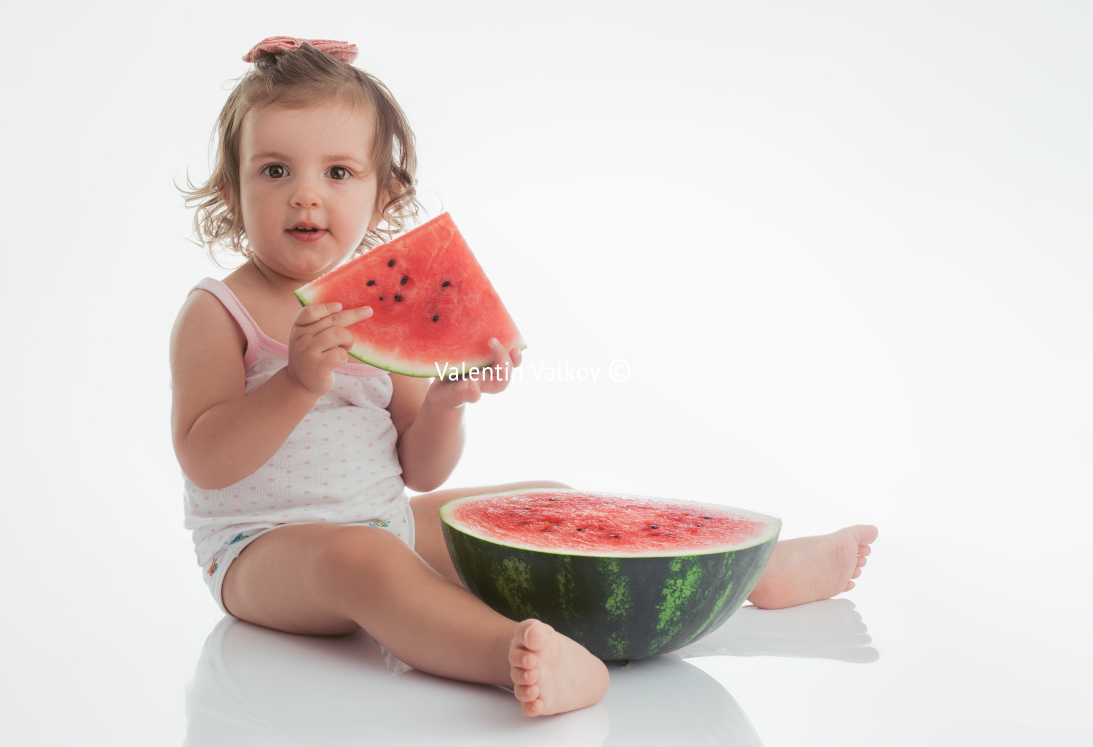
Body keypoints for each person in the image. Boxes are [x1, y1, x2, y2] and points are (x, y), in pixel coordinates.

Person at [171, 36, 878, 718]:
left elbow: (419, 467)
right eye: (274, 171)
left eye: (338, 172)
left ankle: (753, 570)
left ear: (382, 197)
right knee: (362, 562)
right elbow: (206, 459)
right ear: (231, 191)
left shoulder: (386, 303)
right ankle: (512, 653)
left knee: (546, 504)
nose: (306, 197)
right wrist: (295, 384)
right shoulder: (217, 312)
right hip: (256, 550)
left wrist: (446, 404)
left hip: (385, 517)